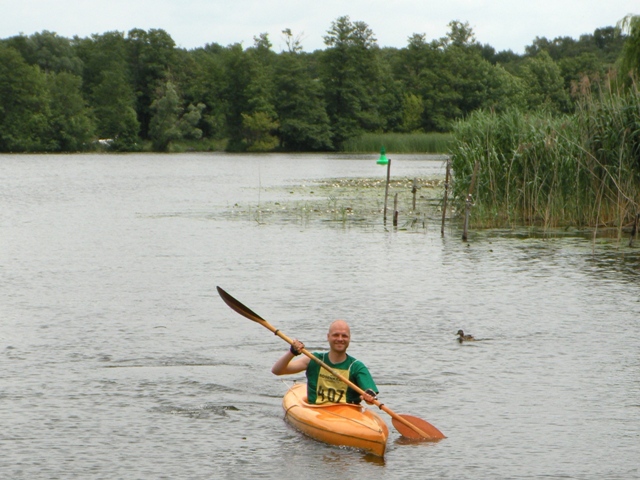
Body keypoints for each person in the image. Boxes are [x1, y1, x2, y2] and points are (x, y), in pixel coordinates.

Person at [271, 319, 378, 405]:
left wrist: (368, 398)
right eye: (336, 335)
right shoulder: (314, 359)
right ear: (328, 337)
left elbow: (371, 394)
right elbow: (277, 370)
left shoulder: (356, 367)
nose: (340, 339)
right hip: (316, 412)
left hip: (347, 414)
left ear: (349, 339)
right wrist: (292, 353)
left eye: (344, 336)